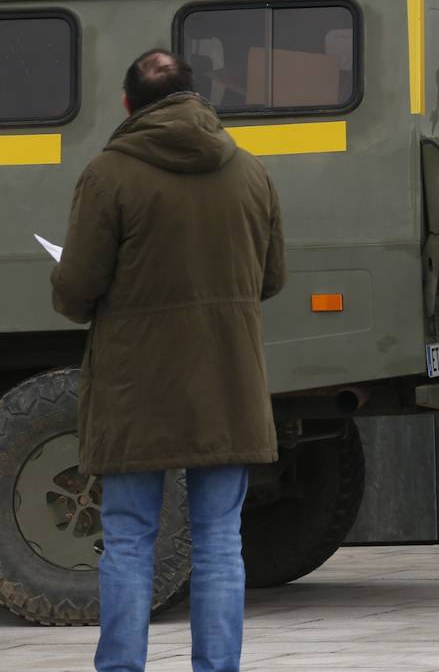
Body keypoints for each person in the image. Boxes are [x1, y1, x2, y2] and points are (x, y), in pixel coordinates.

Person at [51, 49, 285, 672]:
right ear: (196, 96)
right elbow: (271, 277)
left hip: (136, 387)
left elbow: (77, 290)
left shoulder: (109, 175)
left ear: (128, 105)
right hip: (228, 381)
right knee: (219, 542)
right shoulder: (250, 172)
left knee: (128, 540)